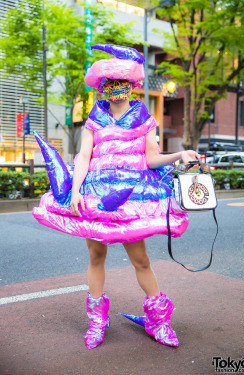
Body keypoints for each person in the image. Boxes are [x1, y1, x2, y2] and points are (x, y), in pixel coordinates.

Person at [32, 44, 199, 350]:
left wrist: (181, 154)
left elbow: (151, 159)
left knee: (141, 260)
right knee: (96, 256)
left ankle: (158, 321)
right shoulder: (94, 118)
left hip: (131, 198)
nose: (114, 87)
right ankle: (97, 320)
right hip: (94, 196)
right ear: (101, 87)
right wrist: (78, 189)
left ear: (132, 85)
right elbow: (83, 156)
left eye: (119, 81)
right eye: (107, 83)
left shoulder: (144, 118)